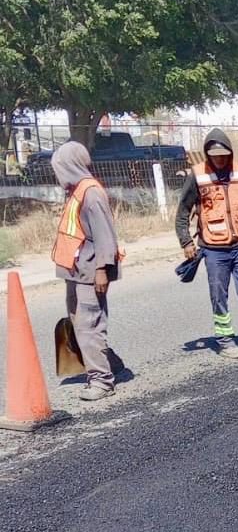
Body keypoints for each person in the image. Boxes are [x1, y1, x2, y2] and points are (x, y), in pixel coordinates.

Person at [175, 129, 238, 359]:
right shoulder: (198, 175)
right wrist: (186, 241)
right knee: (218, 294)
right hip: (212, 247)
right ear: (208, 154)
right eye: (214, 155)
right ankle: (226, 341)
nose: (219, 158)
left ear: (230, 153)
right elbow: (182, 212)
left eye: (223, 154)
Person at [51, 141, 125, 401]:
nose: (56, 173)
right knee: (78, 322)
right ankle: (110, 363)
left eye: (58, 168)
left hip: (91, 271)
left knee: (89, 324)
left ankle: (102, 381)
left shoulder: (91, 193)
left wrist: (102, 270)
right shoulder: (75, 190)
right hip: (75, 271)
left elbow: (105, 236)